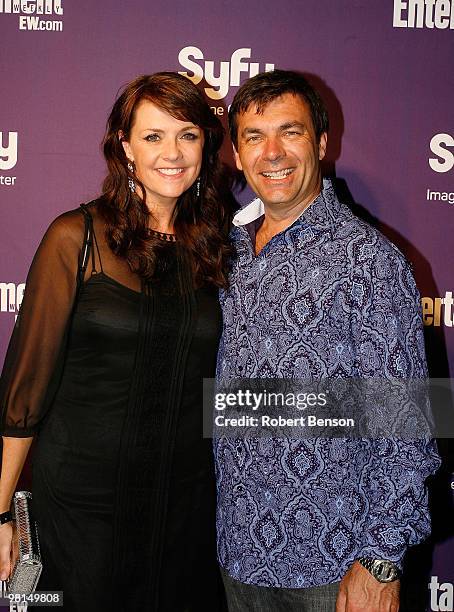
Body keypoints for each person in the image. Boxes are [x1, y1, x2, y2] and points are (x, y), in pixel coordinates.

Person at [0, 72, 234, 611]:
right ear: (125, 147)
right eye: (153, 137)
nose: (171, 152)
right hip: (84, 511)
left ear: (205, 144)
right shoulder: (76, 238)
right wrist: (3, 511)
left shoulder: (216, 250)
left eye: (187, 135)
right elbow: (23, 394)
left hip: (183, 509)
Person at [214, 69, 440, 612]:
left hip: (334, 567)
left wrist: (381, 562)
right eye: (253, 137)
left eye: (289, 132)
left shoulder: (370, 262)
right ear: (238, 156)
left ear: (320, 142)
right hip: (236, 554)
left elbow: (405, 428)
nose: (273, 153)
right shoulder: (228, 253)